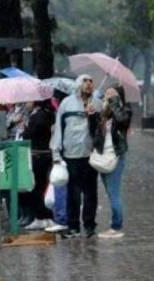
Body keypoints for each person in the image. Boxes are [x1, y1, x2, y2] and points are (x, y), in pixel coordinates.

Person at [52, 74, 103, 239]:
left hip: (90, 154)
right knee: (73, 193)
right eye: (85, 81)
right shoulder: (66, 104)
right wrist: (56, 152)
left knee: (90, 193)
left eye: (91, 81)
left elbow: (100, 132)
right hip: (71, 155)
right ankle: (73, 226)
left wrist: (93, 117)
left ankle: (89, 225)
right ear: (78, 84)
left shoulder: (97, 104)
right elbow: (59, 128)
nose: (88, 84)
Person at [90, 85, 131, 239]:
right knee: (109, 192)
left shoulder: (125, 110)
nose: (106, 95)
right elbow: (95, 132)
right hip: (103, 156)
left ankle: (116, 227)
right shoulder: (105, 113)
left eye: (110, 93)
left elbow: (122, 121)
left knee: (114, 193)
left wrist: (114, 102)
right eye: (106, 93)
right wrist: (92, 116)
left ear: (118, 96)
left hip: (115, 156)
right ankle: (115, 224)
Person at [21, 99, 56, 230]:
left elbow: (28, 135)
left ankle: (41, 216)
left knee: (36, 187)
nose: (26, 103)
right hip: (44, 154)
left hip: (38, 155)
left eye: (27, 101)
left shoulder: (38, 116)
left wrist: (25, 128)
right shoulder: (48, 114)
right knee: (41, 187)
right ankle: (44, 216)